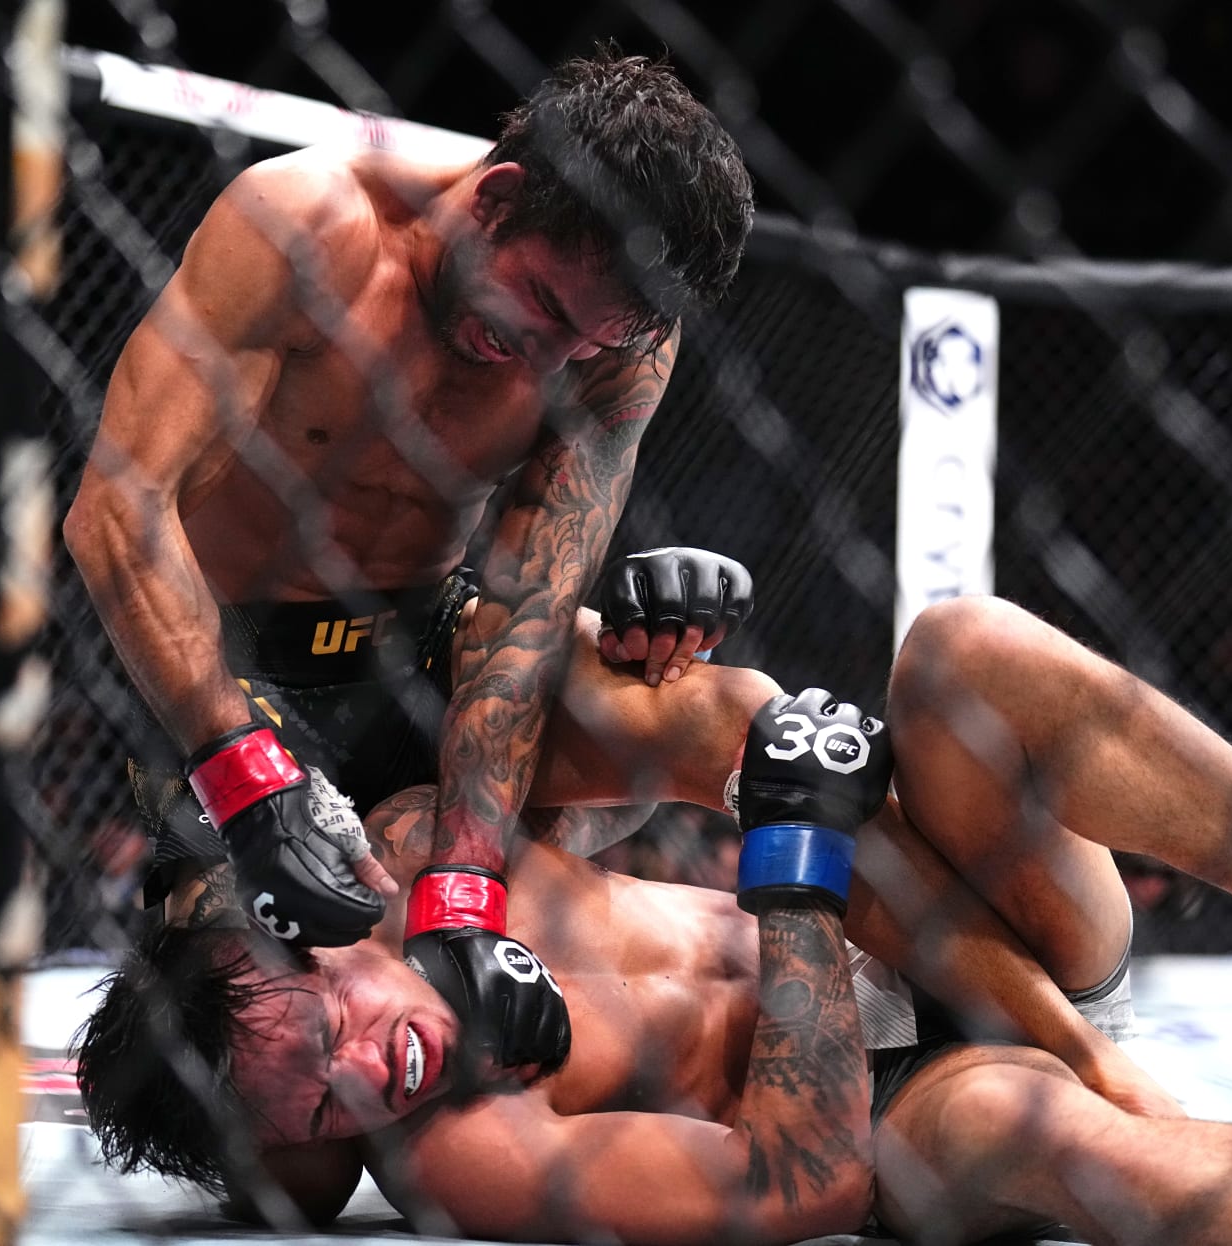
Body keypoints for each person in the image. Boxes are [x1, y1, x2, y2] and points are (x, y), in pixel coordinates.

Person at [76, 673, 1232, 1245]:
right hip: (891, 1093)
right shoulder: (465, 1153)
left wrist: (630, 647)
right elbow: (804, 1179)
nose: (370, 1070)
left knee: (959, 658)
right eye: (330, 1106)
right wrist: (798, 880)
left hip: (966, 921)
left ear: (316, 938)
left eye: (328, 1033)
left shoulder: (423, 838)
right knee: (1015, 1112)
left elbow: (690, 727)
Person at [62, 47, 756, 1073]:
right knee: (289, 1141)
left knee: (726, 716)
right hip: (235, 672)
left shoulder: (622, 341)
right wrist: (243, 771)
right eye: (546, 308)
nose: (548, 362)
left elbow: (525, 602)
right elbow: (116, 508)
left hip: (430, 647)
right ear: (499, 198)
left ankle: (900, 989)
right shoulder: (304, 224)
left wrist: (465, 891)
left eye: (587, 345)